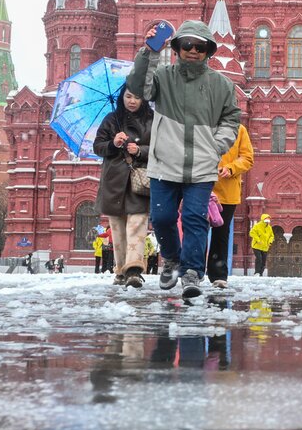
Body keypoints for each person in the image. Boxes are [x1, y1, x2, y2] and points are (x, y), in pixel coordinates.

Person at [125, 20, 240, 300]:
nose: (193, 50)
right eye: (187, 44)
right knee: (162, 218)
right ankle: (172, 259)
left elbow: (231, 119)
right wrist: (149, 52)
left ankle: (191, 271)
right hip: (165, 163)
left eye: (200, 46)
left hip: (201, 165)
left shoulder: (221, 84)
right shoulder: (163, 77)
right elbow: (138, 87)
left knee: (194, 219)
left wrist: (216, 147)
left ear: (208, 51)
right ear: (177, 47)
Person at [93, 85, 153, 289]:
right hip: (114, 181)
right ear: (122, 97)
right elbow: (98, 146)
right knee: (117, 228)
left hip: (139, 180)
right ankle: (120, 271)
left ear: (144, 100)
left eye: (137, 97)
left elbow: (161, 147)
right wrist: (113, 143)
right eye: (128, 96)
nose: (132, 101)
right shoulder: (111, 119)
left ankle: (134, 270)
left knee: (137, 223)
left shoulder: (151, 120)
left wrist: (140, 150)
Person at [208, 124, 254, 288]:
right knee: (196, 229)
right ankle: (194, 271)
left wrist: (231, 168)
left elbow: (247, 158)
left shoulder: (239, 129)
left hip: (227, 191)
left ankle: (218, 275)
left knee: (221, 232)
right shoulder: (203, 123)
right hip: (201, 186)